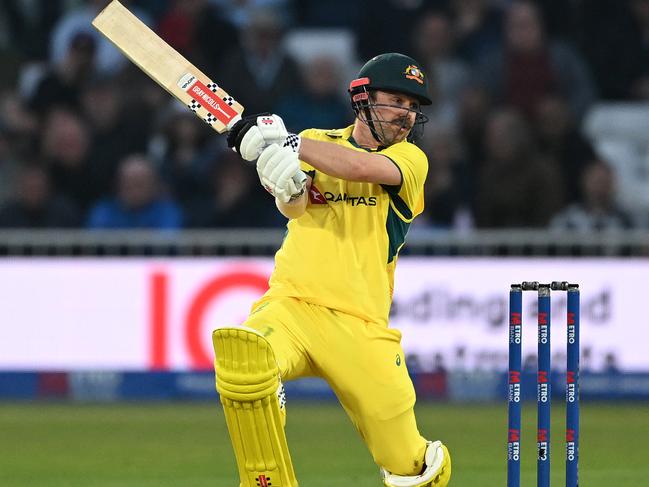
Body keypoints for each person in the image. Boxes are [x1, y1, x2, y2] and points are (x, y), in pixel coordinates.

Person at [211, 53, 451, 487]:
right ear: (363, 98)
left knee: (413, 468)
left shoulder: (411, 161)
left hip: (360, 326)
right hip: (292, 305)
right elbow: (295, 205)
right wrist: (280, 180)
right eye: (397, 100)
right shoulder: (317, 139)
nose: (406, 115)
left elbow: (360, 167)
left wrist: (286, 144)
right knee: (246, 360)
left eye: (414, 108)